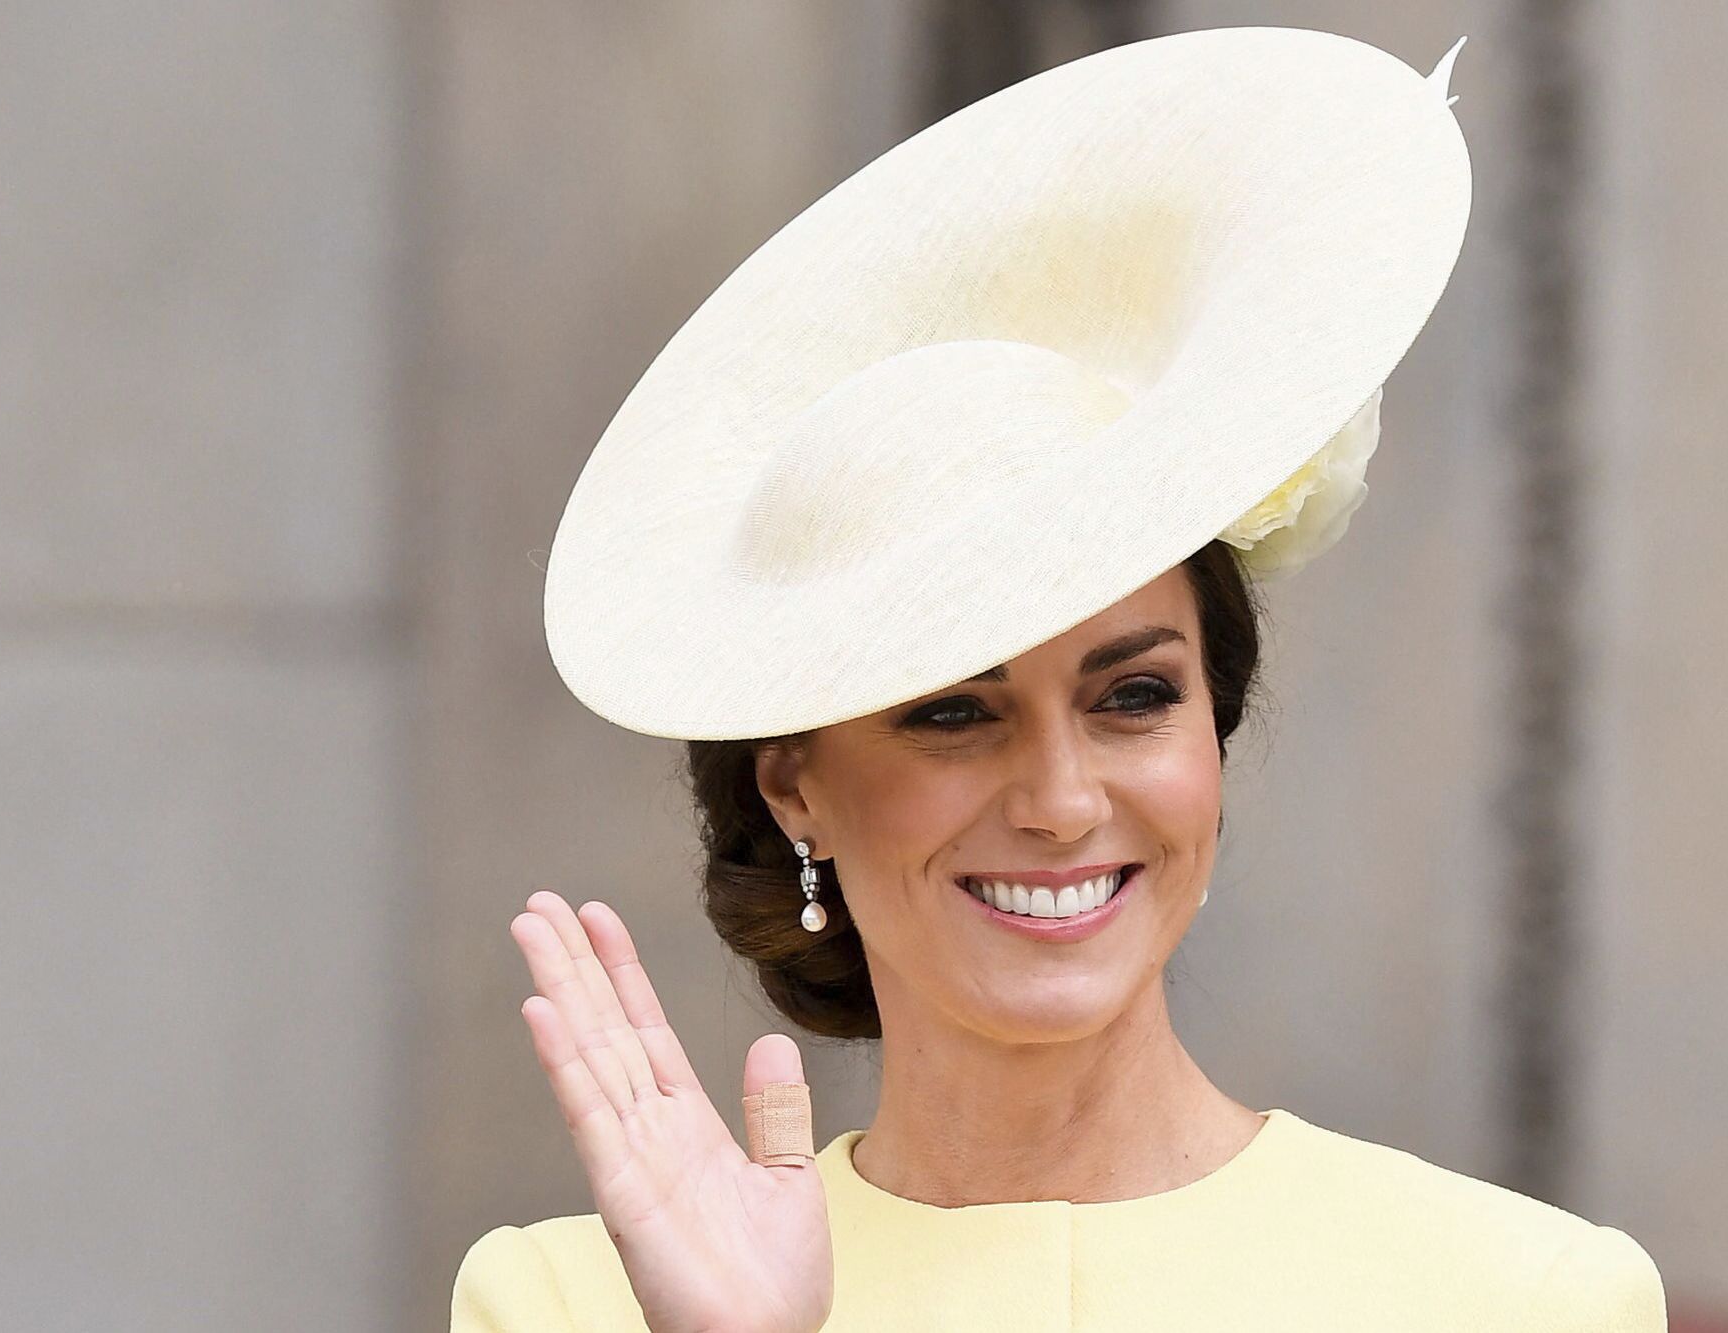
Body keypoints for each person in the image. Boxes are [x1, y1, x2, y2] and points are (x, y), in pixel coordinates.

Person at [452, 24, 1666, 1333]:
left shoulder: (1521, 1298)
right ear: (793, 781)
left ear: (1213, 719)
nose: (1059, 796)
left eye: (1131, 696)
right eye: (952, 712)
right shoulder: (568, 1302)